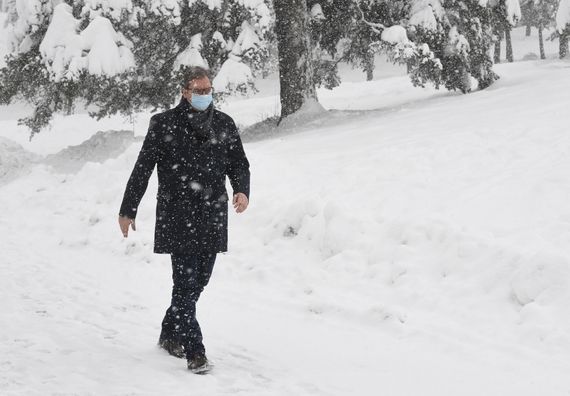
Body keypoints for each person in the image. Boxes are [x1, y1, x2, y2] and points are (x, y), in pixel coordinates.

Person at [117, 66, 250, 373]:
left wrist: (242, 190)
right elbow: (143, 168)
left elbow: (238, 162)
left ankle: (169, 331)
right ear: (185, 92)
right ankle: (196, 351)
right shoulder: (164, 124)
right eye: (199, 91)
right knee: (185, 284)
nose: (206, 95)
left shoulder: (224, 123)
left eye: (209, 90)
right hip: (178, 216)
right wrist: (128, 209)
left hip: (212, 215)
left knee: (198, 283)